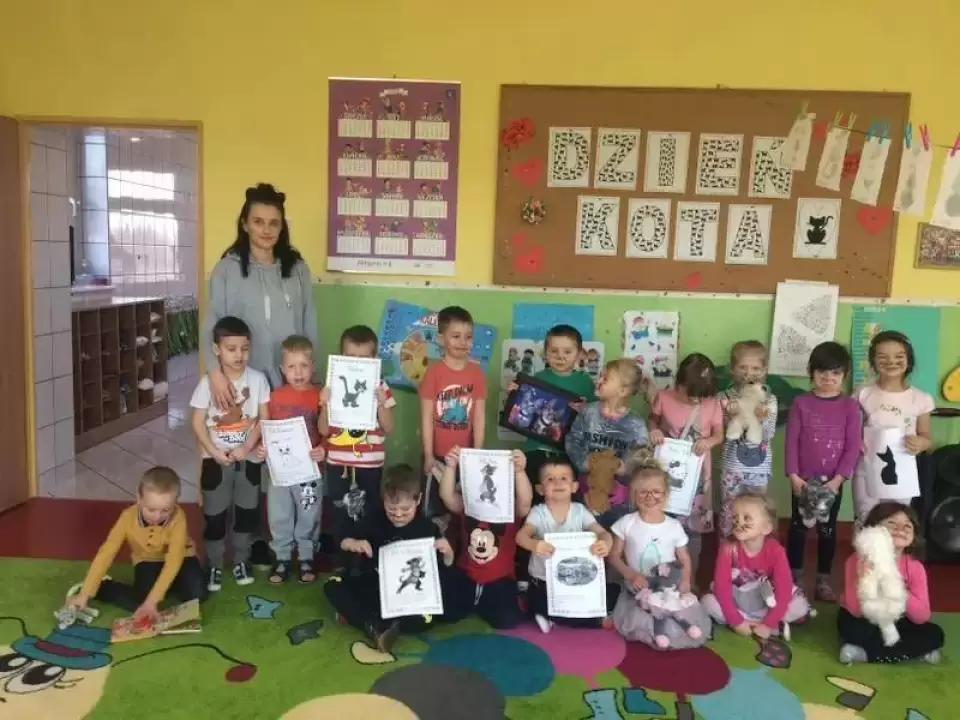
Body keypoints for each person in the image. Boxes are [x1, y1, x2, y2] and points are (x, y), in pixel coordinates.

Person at [201, 183, 319, 568]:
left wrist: (309, 378)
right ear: (245, 223)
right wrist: (215, 373)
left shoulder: (296, 268)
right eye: (258, 221)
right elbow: (212, 323)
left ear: (282, 226)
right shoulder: (228, 268)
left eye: (274, 223)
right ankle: (247, 538)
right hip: (243, 380)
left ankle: (291, 537)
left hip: (288, 380)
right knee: (247, 456)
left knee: (286, 456)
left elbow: (309, 324)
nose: (266, 230)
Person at [323, 464, 454, 653]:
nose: (398, 515)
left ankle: (368, 620)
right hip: (375, 587)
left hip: (407, 597)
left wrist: (448, 554)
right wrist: (352, 543)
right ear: (383, 500)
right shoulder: (374, 520)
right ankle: (374, 625)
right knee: (332, 585)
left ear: (418, 500)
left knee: (427, 618)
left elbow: (442, 572)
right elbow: (342, 539)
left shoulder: (427, 528)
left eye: (405, 509)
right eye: (392, 509)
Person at [190, 316, 271, 591]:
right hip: (215, 462)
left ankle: (241, 560)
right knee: (214, 516)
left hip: (248, 460)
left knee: (247, 514)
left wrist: (246, 447)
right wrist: (213, 452)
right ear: (217, 349)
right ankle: (213, 564)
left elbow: (264, 418)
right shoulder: (207, 384)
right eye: (231, 349)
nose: (239, 355)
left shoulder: (258, 380)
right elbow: (197, 422)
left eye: (244, 349)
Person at [65, 467, 206, 619]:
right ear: (139, 498)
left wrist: (152, 601)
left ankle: (166, 585)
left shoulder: (179, 517)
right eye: (151, 509)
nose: (157, 517)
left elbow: (174, 561)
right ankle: (103, 587)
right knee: (139, 602)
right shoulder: (127, 517)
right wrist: (85, 593)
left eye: (166, 510)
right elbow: (107, 552)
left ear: (175, 502)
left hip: (183, 557)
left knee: (198, 594)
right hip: (147, 560)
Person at [784, 341, 862, 601]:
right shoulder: (800, 403)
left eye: (835, 373)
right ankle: (793, 578)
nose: (828, 378)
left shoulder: (850, 406)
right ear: (811, 372)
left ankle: (823, 580)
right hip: (802, 481)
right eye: (822, 372)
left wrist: (838, 480)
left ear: (844, 375)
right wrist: (793, 476)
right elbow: (791, 442)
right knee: (798, 529)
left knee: (827, 531)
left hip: (832, 484)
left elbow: (853, 447)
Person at [607, 463, 711, 649]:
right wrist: (631, 575)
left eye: (656, 492)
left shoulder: (674, 526)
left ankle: (679, 629)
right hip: (639, 586)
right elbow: (613, 556)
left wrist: (685, 581)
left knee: (679, 612)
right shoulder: (626, 523)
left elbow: (684, 558)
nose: (650, 497)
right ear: (633, 495)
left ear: (666, 495)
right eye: (643, 492)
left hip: (668, 586)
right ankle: (658, 631)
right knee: (642, 616)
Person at [320, 325, 396, 568]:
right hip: (338, 463)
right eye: (350, 357)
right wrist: (324, 405)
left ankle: (367, 561)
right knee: (340, 511)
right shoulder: (331, 386)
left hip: (370, 464)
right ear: (341, 356)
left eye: (363, 358)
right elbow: (323, 429)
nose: (356, 363)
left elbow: (388, 427)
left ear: (374, 360)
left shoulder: (380, 386)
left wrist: (381, 404)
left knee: (369, 510)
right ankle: (344, 561)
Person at [516, 457, 617, 633]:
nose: (557, 482)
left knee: (611, 592)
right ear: (540, 489)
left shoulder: (580, 511)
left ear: (574, 486)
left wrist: (605, 543)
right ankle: (550, 613)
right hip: (544, 582)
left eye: (564, 478)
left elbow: (603, 533)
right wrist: (534, 544)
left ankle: (552, 616)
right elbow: (521, 536)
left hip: (574, 582)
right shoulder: (538, 513)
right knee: (538, 599)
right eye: (550, 479)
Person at [256, 335, 326, 585]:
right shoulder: (274, 397)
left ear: (313, 366)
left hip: (310, 470)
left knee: (309, 513)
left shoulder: (320, 396)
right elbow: (266, 428)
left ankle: (306, 557)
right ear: (282, 369)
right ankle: (282, 557)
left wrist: (324, 449)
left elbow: (329, 430)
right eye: (291, 366)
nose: (298, 372)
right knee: (279, 513)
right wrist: (261, 448)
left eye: (304, 366)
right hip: (280, 472)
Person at [838, 501, 944, 664]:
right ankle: (912, 652)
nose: (900, 530)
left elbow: (922, 617)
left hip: (897, 618)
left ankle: (865, 654)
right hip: (865, 619)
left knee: (934, 634)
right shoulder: (856, 561)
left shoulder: (915, 568)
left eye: (907, 526)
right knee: (854, 631)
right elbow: (855, 611)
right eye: (892, 524)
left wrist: (898, 590)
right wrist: (862, 579)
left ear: (914, 536)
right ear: (873, 530)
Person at [439, 447, 533, 629]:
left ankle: (483, 604)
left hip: (499, 579)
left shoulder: (510, 511)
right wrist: (450, 467)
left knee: (507, 620)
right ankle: (474, 603)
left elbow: (525, 502)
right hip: (466, 576)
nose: (487, 489)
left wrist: (520, 472)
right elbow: (447, 497)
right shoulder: (468, 507)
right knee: (447, 614)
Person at [648, 353, 724, 578]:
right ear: (679, 383)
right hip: (666, 471)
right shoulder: (664, 397)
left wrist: (709, 442)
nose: (696, 400)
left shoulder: (713, 403)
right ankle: (662, 577)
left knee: (694, 530)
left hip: (699, 476)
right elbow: (652, 419)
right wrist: (654, 430)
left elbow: (719, 434)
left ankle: (688, 579)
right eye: (691, 394)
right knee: (663, 523)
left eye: (702, 396)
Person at [702, 492, 811, 638]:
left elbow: (783, 590)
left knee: (800, 606)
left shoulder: (776, 551)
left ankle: (764, 623)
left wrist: (769, 623)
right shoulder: (727, 548)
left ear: (766, 528)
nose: (738, 523)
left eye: (746, 518)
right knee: (707, 602)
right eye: (735, 518)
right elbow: (722, 587)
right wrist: (736, 622)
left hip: (766, 603)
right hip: (738, 603)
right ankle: (758, 624)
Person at [852, 331, 934, 523]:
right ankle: (865, 543)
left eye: (899, 356)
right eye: (882, 357)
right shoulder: (863, 393)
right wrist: (856, 441)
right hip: (867, 468)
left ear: (909, 360)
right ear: (873, 361)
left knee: (897, 518)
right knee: (866, 517)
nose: (891, 362)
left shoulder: (921, 399)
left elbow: (927, 437)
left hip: (903, 472)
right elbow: (851, 429)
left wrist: (921, 443)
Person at [419, 306, 487, 516]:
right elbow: (427, 417)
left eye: (468, 337)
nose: (462, 342)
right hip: (437, 457)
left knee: (463, 509)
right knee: (435, 509)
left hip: (466, 457)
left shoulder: (476, 373)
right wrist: (428, 455)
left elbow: (479, 417)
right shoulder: (433, 372)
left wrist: (477, 453)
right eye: (456, 336)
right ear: (441, 339)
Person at [564, 359, 648, 522]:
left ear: (622, 391)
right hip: (585, 488)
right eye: (600, 376)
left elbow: (642, 455)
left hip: (617, 495)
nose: (599, 380)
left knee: (611, 532)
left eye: (606, 378)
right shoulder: (588, 412)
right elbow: (573, 440)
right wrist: (584, 462)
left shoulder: (635, 423)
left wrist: (624, 470)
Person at [515, 325, 596, 493]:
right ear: (545, 353)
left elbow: (597, 418)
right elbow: (524, 412)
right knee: (534, 495)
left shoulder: (586, 382)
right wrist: (516, 394)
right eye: (554, 351)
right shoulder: (538, 378)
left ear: (579, 354)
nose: (560, 356)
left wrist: (585, 409)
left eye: (567, 351)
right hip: (536, 448)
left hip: (570, 452)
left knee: (564, 498)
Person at [718, 340, 778, 537]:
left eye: (755, 368)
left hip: (759, 470)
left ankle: (754, 552)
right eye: (742, 367)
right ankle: (727, 550)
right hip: (732, 468)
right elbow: (721, 433)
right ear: (732, 368)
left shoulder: (769, 399)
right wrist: (729, 416)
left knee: (757, 513)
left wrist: (761, 420)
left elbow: (768, 435)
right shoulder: (724, 397)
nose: (748, 373)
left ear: (764, 370)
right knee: (729, 510)